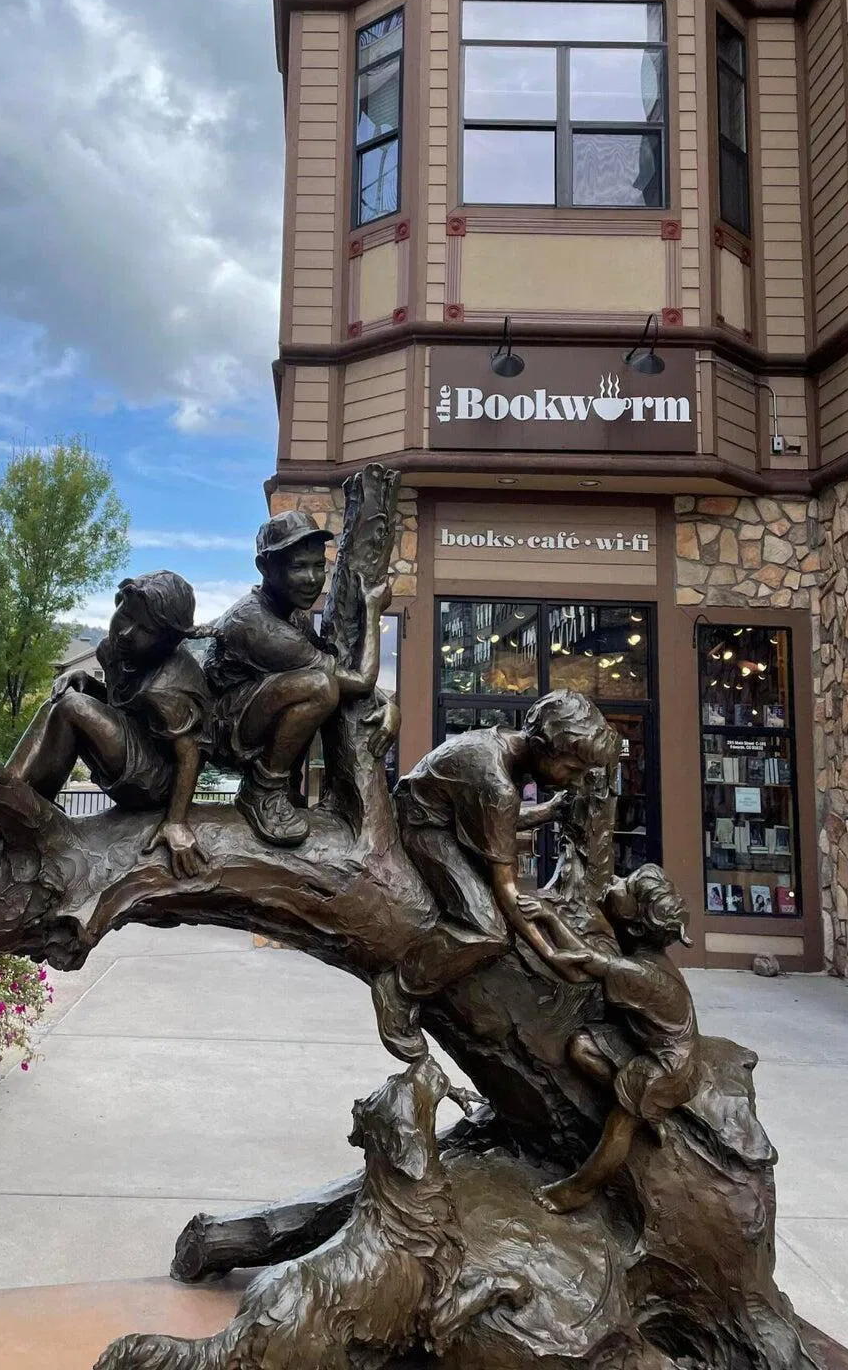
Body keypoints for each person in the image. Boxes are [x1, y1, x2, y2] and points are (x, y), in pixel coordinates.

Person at [371, 691, 620, 1061]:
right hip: (422, 828)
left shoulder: (501, 745)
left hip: (443, 818)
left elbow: (493, 824)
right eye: (571, 769)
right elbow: (507, 889)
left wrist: (547, 811)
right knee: (488, 928)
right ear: (539, 746)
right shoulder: (498, 783)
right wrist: (552, 953)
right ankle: (401, 986)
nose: (573, 781)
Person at [0, 571, 210, 878]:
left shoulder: (172, 683)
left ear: (168, 641)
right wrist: (90, 684)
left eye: (145, 629)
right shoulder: (114, 650)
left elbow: (190, 752)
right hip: (131, 746)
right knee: (62, 699)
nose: (127, 632)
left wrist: (177, 822)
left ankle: (13, 811)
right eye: (125, 615)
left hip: (155, 781)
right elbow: (126, 707)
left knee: (73, 707)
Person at [518, 864, 698, 1213]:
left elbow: (578, 962)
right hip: (645, 1043)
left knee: (620, 1124)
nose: (614, 881)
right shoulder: (641, 959)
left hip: (669, 1066)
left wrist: (531, 927)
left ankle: (581, 1187)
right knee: (582, 1048)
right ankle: (647, 1111)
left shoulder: (640, 973)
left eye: (624, 886)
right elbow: (589, 957)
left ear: (633, 924)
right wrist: (551, 918)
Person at [204, 512, 390, 847]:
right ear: (265, 567)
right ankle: (262, 792)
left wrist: (389, 703)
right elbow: (358, 681)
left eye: (319, 566)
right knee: (319, 687)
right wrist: (373, 611)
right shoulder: (257, 624)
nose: (312, 578)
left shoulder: (295, 616)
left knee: (322, 683)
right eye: (297, 567)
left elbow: (350, 681)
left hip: (253, 715)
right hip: (221, 731)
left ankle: (287, 786)